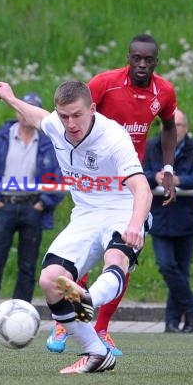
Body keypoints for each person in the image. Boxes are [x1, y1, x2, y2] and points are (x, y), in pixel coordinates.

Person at [0, 80, 153, 374]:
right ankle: (96, 352)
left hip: (123, 208)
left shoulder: (113, 138)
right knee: (49, 280)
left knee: (115, 258)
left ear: (92, 109)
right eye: (64, 116)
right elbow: (36, 115)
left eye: (77, 115)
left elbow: (142, 189)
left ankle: (89, 298)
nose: (70, 123)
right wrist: (10, 97)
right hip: (86, 213)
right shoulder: (56, 124)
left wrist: (135, 224)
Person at [46, 33, 178, 355]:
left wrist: (169, 168)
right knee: (87, 247)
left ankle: (100, 327)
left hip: (130, 177)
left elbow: (169, 125)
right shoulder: (105, 83)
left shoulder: (165, 91)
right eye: (137, 58)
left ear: (156, 62)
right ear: (128, 58)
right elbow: (72, 113)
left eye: (149, 60)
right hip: (99, 177)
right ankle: (69, 319)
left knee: (120, 255)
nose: (142, 65)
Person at [0, 93, 65, 329]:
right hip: (3, 205)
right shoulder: (1, 137)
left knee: (28, 266)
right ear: (17, 111)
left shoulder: (47, 142)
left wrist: (43, 203)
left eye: (32, 110)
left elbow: (58, 177)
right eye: (24, 109)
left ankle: (20, 316)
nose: (26, 114)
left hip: (32, 207)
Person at [143, 109, 193, 333]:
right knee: (166, 265)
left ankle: (174, 321)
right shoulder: (152, 146)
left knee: (182, 270)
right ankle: (192, 306)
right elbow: (140, 173)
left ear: (186, 128)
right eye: (168, 125)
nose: (172, 129)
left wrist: (179, 180)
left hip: (186, 217)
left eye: (178, 125)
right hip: (160, 216)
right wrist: (155, 177)